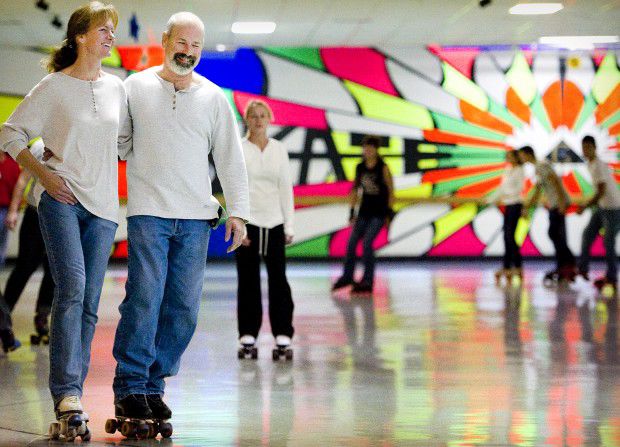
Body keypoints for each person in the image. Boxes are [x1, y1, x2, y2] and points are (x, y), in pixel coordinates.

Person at [111, 11, 249, 429]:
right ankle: (130, 385)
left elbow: (230, 155)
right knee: (144, 300)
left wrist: (239, 212)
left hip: (195, 218)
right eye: (182, 43)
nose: (187, 52)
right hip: (149, 213)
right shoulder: (135, 86)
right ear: (166, 39)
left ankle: (154, 385)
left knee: (184, 309)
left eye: (196, 47)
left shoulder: (212, 97)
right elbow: (120, 142)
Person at [0, 1, 123, 439]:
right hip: (62, 200)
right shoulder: (52, 87)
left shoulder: (117, 89)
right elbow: (10, 133)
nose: (111, 36)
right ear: (80, 37)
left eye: (112, 30)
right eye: (103, 30)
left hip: (104, 207)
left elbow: (126, 143)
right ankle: (67, 393)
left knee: (89, 299)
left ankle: (73, 391)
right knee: (71, 287)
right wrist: (44, 176)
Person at [236, 100, 295, 357]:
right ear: (246, 119)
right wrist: (240, 224)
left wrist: (288, 225)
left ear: (269, 119)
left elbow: (285, 188)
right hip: (250, 224)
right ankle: (248, 333)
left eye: (262, 116)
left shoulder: (279, 150)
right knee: (248, 281)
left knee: (278, 280)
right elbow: (234, 187)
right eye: (253, 116)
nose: (258, 120)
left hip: (274, 223)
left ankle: (283, 333)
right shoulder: (238, 148)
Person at [0, 140, 54, 351]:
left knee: (53, 268)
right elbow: (23, 181)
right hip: (34, 212)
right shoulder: (39, 145)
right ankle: (5, 314)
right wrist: (13, 211)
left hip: (59, 215)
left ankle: (42, 316)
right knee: (25, 266)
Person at [332, 135, 394, 293]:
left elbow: (390, 190)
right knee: (351, 243)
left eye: (370, 148)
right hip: (364, 212)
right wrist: (352, 211)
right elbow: (355, 190)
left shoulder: (383, 167)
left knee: (367, 244)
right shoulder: (360, 167)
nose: (367, 151)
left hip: (378, 213)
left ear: (376, 150)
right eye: (365, 148)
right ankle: (347, 276)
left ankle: (368, 279)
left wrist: (389, 214)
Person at [519, 146, 576, 281]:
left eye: (522, 155)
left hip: (558, 203)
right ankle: (563, 265)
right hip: (554, 204)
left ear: (528, 154)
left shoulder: (541, 165)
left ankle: (569, 262)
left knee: (554, 233)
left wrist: (562, 202)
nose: (521, 158)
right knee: (556, 235)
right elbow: (538, 189)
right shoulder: (538, 167)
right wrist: (528, 207)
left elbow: (556, 181)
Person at [577, 135, 620, 286]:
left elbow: (601, 190)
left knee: (608, 242)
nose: (585, 150)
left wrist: (585, 206)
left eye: (588, 147)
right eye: (583, 147)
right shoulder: (591, 164)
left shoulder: (598, 165)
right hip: (603, 207)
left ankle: (612, 276)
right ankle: (582, 268)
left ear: (594, 148)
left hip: (613, 208)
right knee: (587, 234)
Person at [487, 150, 525, 284]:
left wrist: (506, 195)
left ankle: (517, 265)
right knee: (506, 236)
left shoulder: (520, 170)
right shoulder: (508, 170)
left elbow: (518, 188)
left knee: (510, 236)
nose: (508, 159)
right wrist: (491, 199)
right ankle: (507, 266)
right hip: (508, 205)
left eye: (510, 156)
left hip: (516, 205)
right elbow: (502, 188)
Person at [0, 150, 21, 352]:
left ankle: (6, 332)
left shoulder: (11, 165)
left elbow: (17, 186)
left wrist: (13, 211)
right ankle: (5, 332)